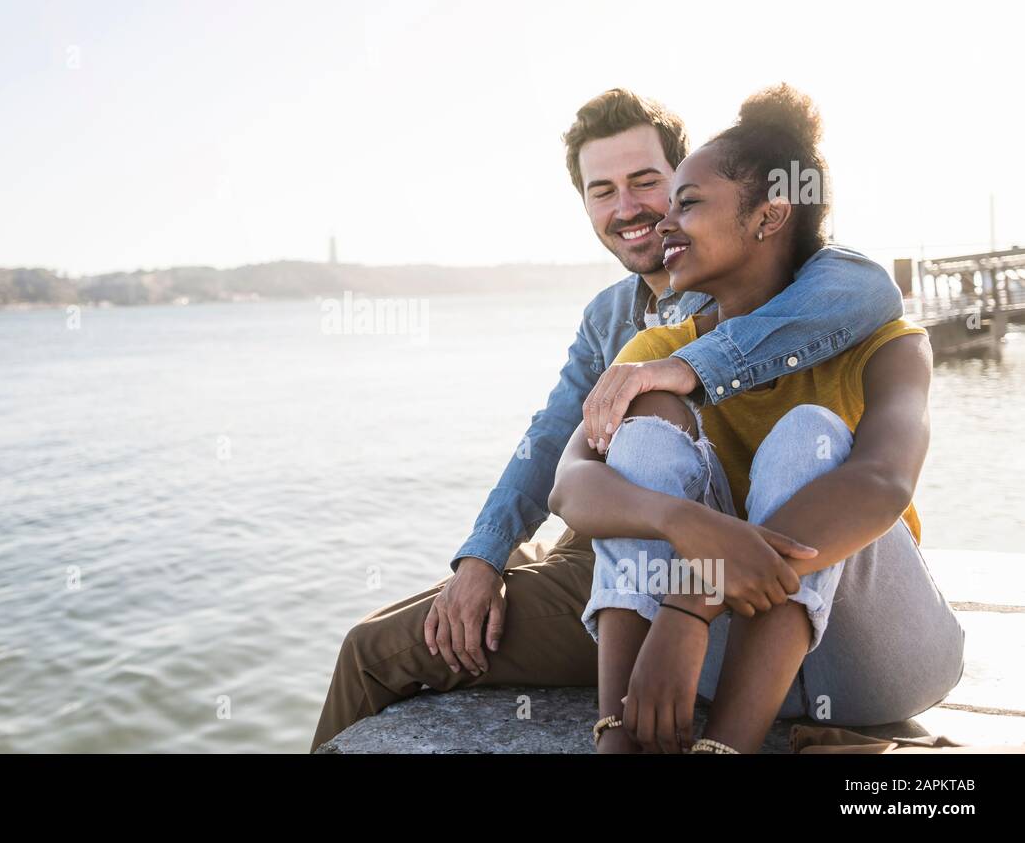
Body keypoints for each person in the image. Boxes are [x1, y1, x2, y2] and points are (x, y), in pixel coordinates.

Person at [310, 88, 905, 752]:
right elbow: (551, 443)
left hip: (690, 561)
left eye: (649, 183)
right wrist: (483, 556)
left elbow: (873, 292)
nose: (628, 209)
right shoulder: (610, 317)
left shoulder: (778, 282)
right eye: (602, 190)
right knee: (432, 610)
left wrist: (687, 368)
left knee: (374, 653)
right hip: (610, 534)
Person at [549, 84, 964, 754]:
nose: (663, 226)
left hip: (879, 661)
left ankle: (728, 749)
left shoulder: (888, 340)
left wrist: (694, 592)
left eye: (688, 204)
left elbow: (885, 483)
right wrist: (681, 522)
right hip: (726, 657)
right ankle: (619, 738)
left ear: (768, 218)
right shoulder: (658, 355)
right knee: (645, 425)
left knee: (808, 432)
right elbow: (570, 482)